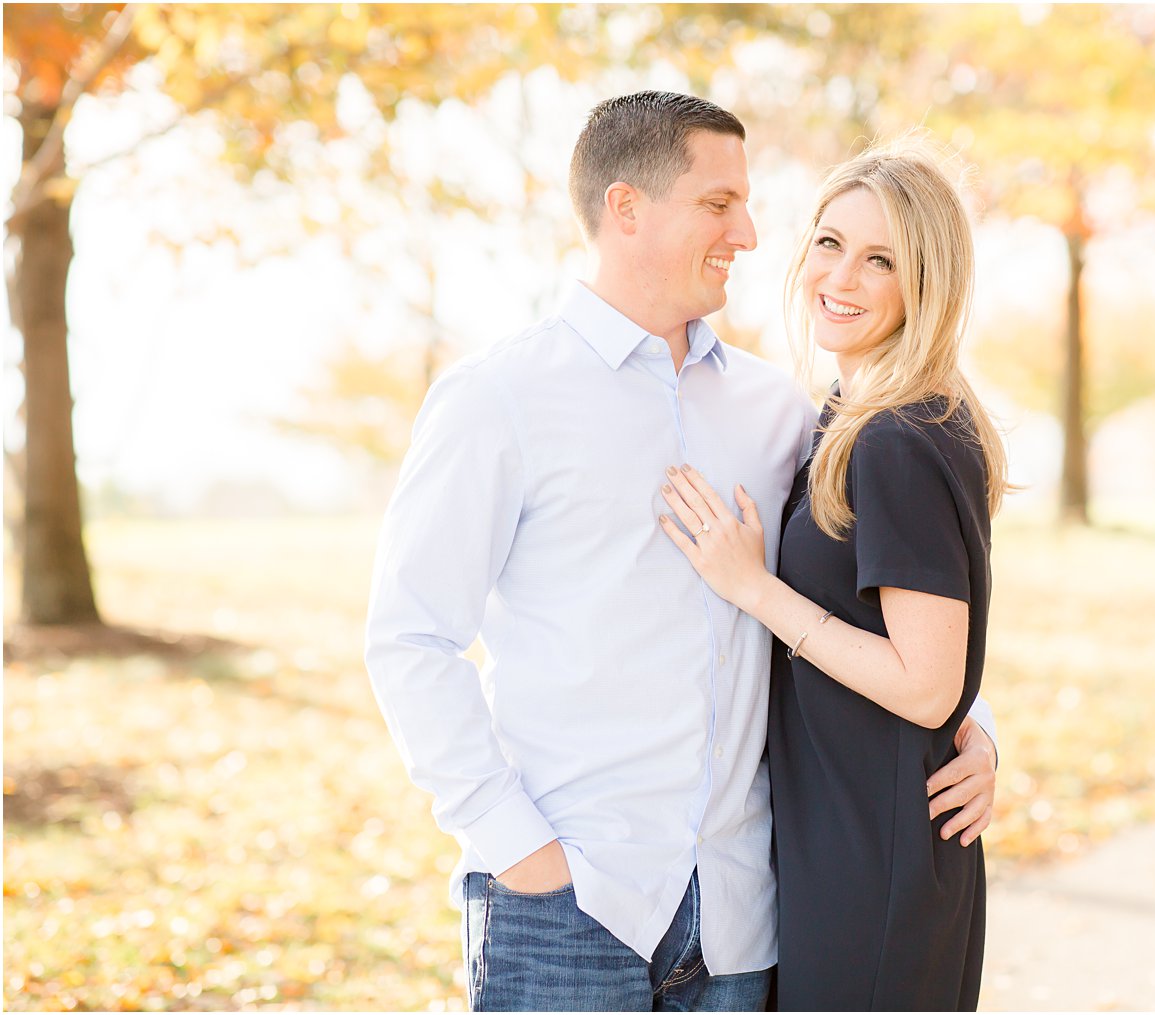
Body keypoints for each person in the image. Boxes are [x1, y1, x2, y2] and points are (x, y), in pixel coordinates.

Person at [365, 92, 998, 1012]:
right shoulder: (497, 399)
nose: (748, 232)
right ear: (627, 209)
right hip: (568, 908)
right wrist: (519, 851)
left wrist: (973, 725)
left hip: (745, 915)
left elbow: (896, 591)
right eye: (718, 204)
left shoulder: (779, 411)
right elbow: (411, 641)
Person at [656, 137, 1006, 1010]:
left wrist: (754, 587)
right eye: (829, 242)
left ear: (926, 283)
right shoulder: (859, 417)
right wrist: (983, 727)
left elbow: (928, 687)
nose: (840, 277)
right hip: (842, 844)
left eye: (880, 259)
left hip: (871, 865)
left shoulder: (896, 437)